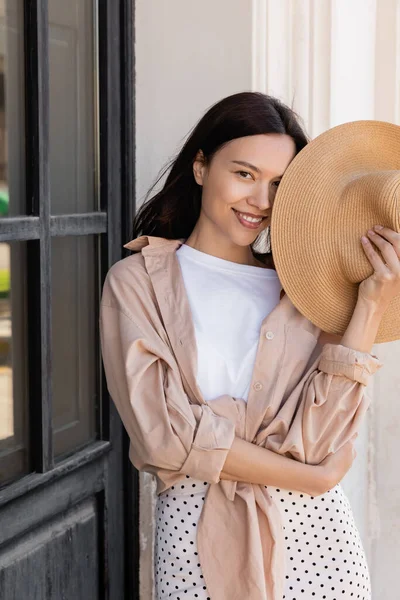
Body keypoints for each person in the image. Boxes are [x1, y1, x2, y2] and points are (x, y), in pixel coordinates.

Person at [99, 92, 399, 599]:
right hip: (197, 542)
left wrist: (368, 306)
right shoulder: (138, 283)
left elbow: (319, 441)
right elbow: (162, 437)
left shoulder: (306, 293)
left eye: (279, 184)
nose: (261, 201)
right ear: (200, 167)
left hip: (318, 547)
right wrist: (308, 477)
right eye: (244, 174)